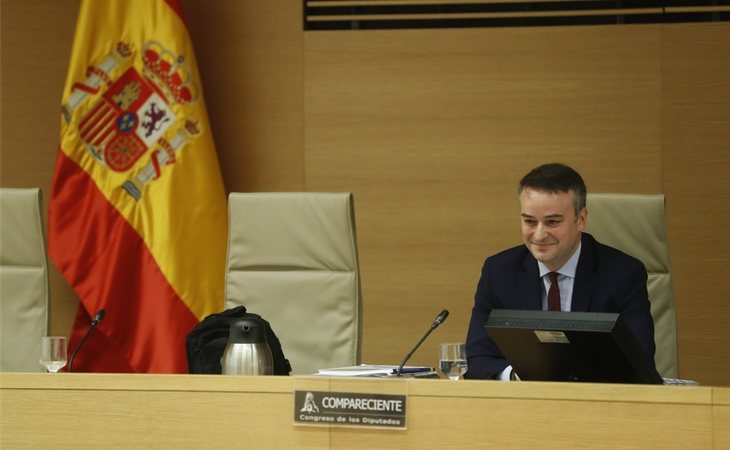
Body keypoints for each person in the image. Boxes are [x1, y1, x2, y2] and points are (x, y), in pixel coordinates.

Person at [464, 163, 656, 380]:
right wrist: (518, 376)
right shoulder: (499, 273)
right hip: (523, 405)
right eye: (529, 221)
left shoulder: (623, 275)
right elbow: (478, 359)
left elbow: (640, 362)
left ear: (581, 219)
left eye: (552, 222)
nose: (538, 235)